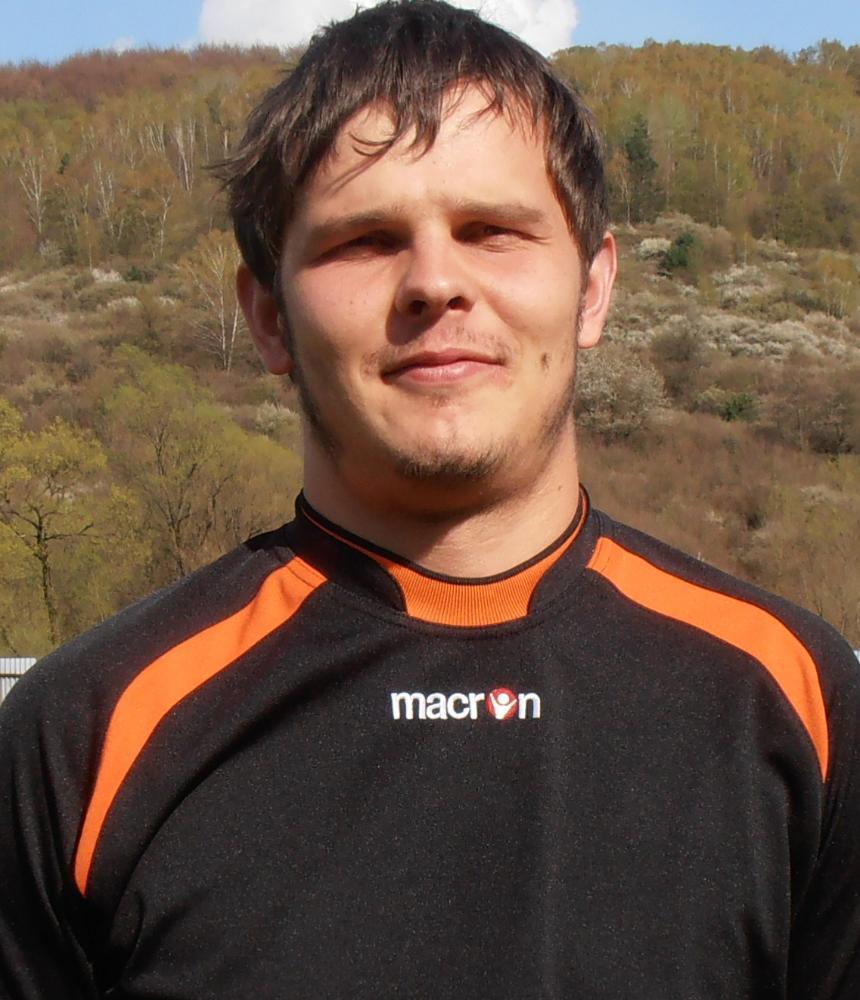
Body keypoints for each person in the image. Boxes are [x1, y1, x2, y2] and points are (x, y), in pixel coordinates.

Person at [1, 2, 858, 996]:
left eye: (492, 230)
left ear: (592, 288)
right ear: (267, 317)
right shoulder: (83, 733)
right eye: (364, 241)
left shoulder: (795, 700)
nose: (435, 282)